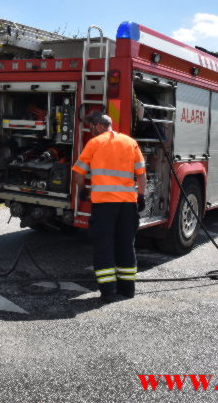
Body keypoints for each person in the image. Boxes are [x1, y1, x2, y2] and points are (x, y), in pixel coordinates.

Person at [72, 111, 146, 303]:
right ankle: (128, 290)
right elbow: (141, 174)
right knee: (126, 245)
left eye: (92, 128)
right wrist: (142, 196)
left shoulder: (94, 143)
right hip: (128, 204)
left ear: (98, 126)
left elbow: (78, 172)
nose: (92, 131)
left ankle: (108, 291)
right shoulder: (130, 142)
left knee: (104, 245)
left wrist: (83, 189)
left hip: (104, 205)